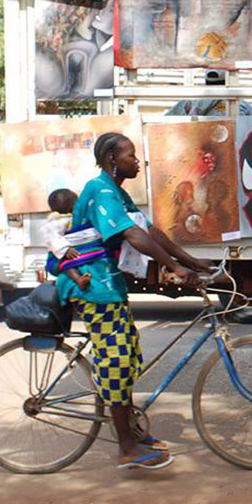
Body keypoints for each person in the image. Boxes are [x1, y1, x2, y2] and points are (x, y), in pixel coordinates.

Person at [62, 132, 210, 470]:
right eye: (131, 155)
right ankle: (127, 448)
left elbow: (150, 231)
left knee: (129, 356)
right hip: (92, 287)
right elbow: (131, 235)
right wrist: (174, 267)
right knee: (116, 362)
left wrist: (191, 261)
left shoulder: (116, 192)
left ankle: (130, 428)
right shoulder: (99, 190)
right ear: (113, 159)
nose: (138, 161)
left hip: (108, 284)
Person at [42, 189, 94, 291]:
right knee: (66, 265)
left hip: (74, 252)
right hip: (58, 257)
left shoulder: (77, 217)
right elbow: (52, 237)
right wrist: (65, 249)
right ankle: (79, 280)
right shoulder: (57, 221)